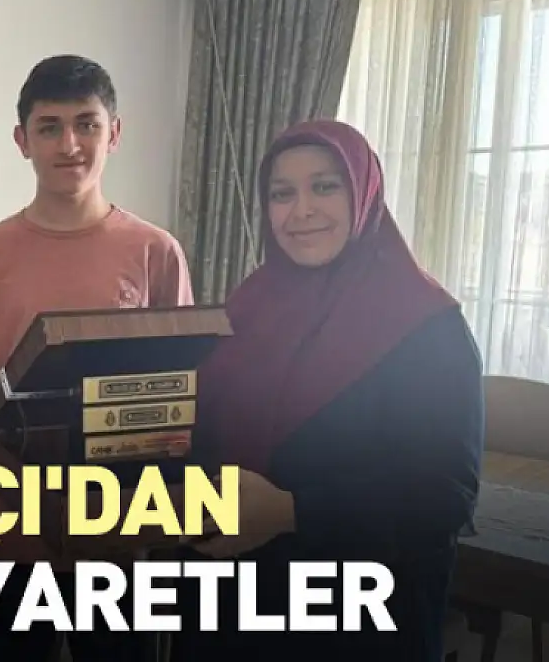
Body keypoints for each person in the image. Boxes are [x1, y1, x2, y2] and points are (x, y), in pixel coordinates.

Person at [171, 119, 485, 661]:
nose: (302, 210)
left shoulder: (426, 325)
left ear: (364, 193)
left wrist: (290, 511)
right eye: (282, 193)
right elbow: (201, 426)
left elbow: (443, 497)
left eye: (324, 186)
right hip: (231, 604)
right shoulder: (248, 306)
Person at [0, 54, 194, 662]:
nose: (70, 144)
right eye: (50, 127)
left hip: (121, 534)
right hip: (7, 531)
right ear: (22, 140)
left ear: (115, 132)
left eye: (87, 124)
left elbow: (180, 395)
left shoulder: (156, 252)